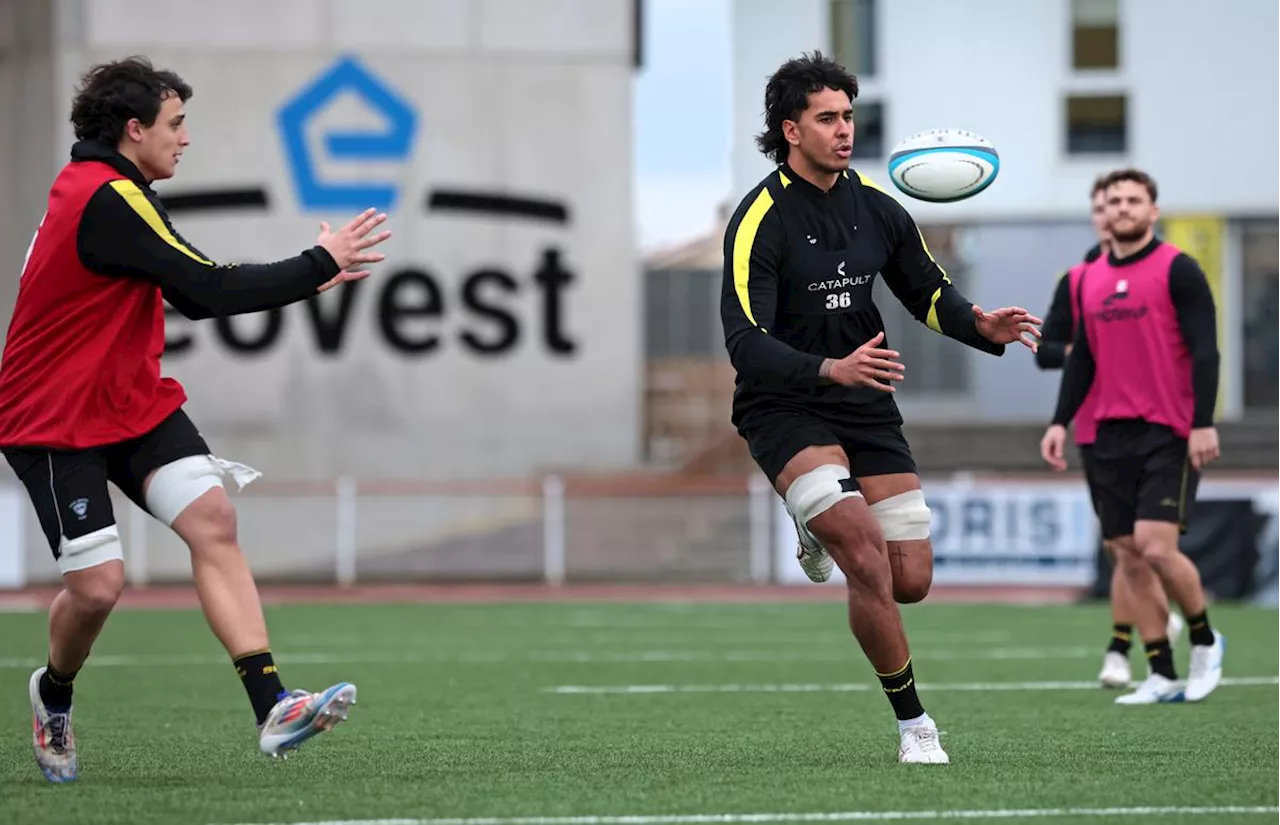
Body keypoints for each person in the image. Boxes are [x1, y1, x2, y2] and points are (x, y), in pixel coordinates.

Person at [0, 56, 391, 782]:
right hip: (51, 415)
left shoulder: (114, 190)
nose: (185, 139)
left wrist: (310, 269)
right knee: (99, 587)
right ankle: (53, 693)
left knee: (212, 518)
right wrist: (315, 261)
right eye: (175, 125)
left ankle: (273, 704)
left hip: (127, 400)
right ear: (133, 129)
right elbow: (206, 290)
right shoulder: (108, 196)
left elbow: (190, 289)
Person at [720, 51, 1040, 764]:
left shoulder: (878, 207)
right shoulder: (759, 220)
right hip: (784, 406)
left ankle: (815, 520)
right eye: (827, 118)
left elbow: (926, 290)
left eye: (848, 115)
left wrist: (977, 326)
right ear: (790, 130)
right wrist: (828, 366)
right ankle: (914, 725)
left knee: (910, 579)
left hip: (866, 403)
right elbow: (744, 340)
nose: (844, 130)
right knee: (862, 553)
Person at [1041, 167, 1225, 706]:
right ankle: (1163, 673)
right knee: (1128, 553)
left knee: (1155, 546)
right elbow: (1082, 360)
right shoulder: (1087, 279)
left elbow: (1207, 351)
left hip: (1167, 429)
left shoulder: (1179, 270)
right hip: (1103, 436)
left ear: (1152, 210)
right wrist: (1059, 421)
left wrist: (1203, 422)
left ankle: (1205, 639)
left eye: (1133, 200)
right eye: (1114, 200)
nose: (1122, 208)